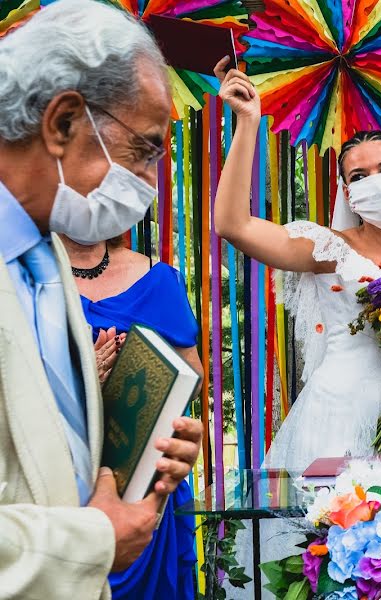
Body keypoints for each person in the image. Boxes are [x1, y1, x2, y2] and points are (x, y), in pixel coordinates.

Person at [211, 61, 381, 595]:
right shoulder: (330, 249)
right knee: (327, 568)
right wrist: (248, 124)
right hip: (335, 421)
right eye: (358, 175)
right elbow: (231, 225)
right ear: (347, 194)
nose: (375, 182)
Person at [0, 1, 203, 599]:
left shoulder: (48, 259)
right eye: (144, 150)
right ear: (62, 121)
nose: (148, 184)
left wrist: (144, 447)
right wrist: (91, 542)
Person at [63, 233, 202, 599]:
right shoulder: (27, 280)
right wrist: (83, 383)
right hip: (63, 493)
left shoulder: (158, 279)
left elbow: (194, 378)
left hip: (144, 487)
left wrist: (137, 376)